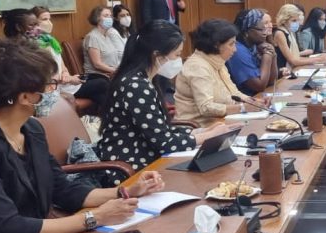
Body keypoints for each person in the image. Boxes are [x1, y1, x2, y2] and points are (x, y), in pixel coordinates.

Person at [0, 38, 162, 233]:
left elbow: (61, 188)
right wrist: (95, 218)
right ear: (25, 97)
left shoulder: (31, 129)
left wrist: (125, 191)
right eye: (51, 84)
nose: (55, 91)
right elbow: (8, 229)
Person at [98, 20, 240, 176]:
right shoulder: (136, 86)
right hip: (133, 167)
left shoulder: (145, 80)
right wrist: (209, 136)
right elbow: (164, 142)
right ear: (156, 55)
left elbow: (159, 129)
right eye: (177, 55)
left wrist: (202, 131)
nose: (179, 60)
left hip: (149, 158)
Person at [2, 8, 109, 111]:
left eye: (37, 24)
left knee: (101, 87)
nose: (37, 28)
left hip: (59, 85)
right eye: (32, 25)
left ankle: (106, 118)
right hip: (46, 90)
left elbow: (61, 67)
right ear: (18, 27)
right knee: (102, 86)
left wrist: (67, 75)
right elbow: (39, 80)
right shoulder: (18, 51)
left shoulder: (47, 41)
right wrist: (69, 80)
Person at [175, 19, 267, 128]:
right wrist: (243, 108)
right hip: (200, 128)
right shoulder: (197, 67)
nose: (235, 50)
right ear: (216, 45)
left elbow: (234, 94)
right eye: (231, 44)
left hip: (223, 122)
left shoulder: (218, 61)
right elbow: (206, 107)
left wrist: (254, 102)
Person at [227, 9, 278, 96]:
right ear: (246, 32)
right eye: (260, 29)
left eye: (265, 28)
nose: (265, 33)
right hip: (244, 100)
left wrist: (273, 55)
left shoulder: (253, 46)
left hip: (257, 97)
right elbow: (259, 86)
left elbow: (272, 81)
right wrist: (267, 55)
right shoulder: (238, 51)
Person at [271, 4, 326, 73]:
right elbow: (293, 61)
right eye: (293, 20)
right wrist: (317, 59)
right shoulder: (280, 33)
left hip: (290, 70)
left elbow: (297, 58)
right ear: (284, 20)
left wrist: (318, 58)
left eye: (297, 20)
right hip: (283, 73)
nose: (297, 23)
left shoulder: (290, 33)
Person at [82, 5, 126, 79]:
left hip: (112, 74)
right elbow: (97, 64)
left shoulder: (107, 35)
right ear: (97, 19)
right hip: (97, 77)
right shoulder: (92, 37)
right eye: (106, 16)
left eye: (110, 16)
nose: (109, 18)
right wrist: (116, 71)